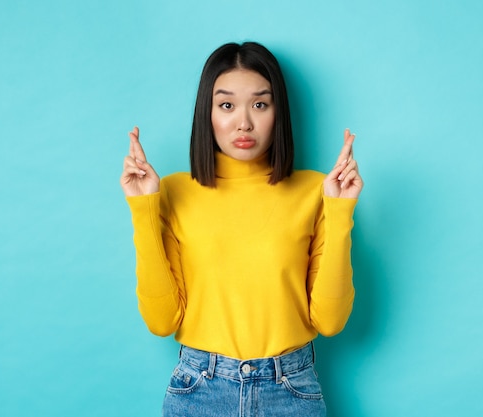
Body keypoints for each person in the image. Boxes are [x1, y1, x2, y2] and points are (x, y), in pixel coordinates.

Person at [120, 41, 363, 417]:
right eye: (227, 105)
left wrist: (341, 210)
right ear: (208, 112)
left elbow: (329, 322)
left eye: (260, 104)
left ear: (277, 112)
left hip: (290, 390)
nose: (244, 122)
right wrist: (143, 207)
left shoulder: (317, 191)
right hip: (200, 388)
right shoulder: (172, 192)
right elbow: (161, 321)